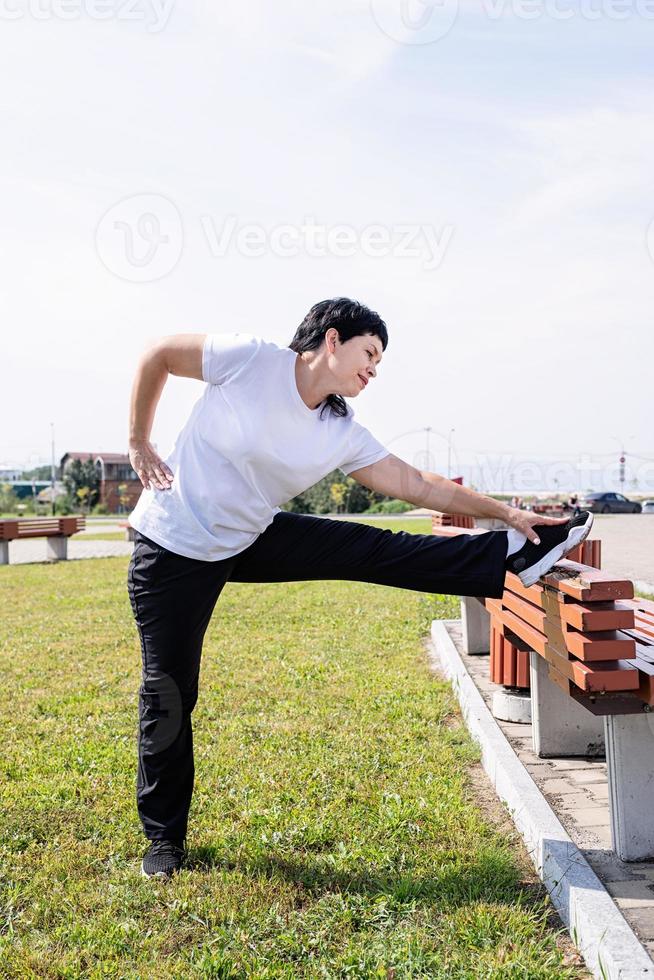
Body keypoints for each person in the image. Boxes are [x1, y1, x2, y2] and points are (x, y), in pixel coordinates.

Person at [126, 297, 593, 878]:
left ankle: (507, 555)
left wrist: (507, 513)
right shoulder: (250, 360)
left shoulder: (337, 429)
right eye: (369, 352)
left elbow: (419, 485)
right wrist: (139, 440)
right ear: (331, 339)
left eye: (379, 361)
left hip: (248, 536)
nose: (373, 368)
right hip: (173, 545)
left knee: (370, 546)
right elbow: (158, 354)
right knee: (169, 691)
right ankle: (164, 841)